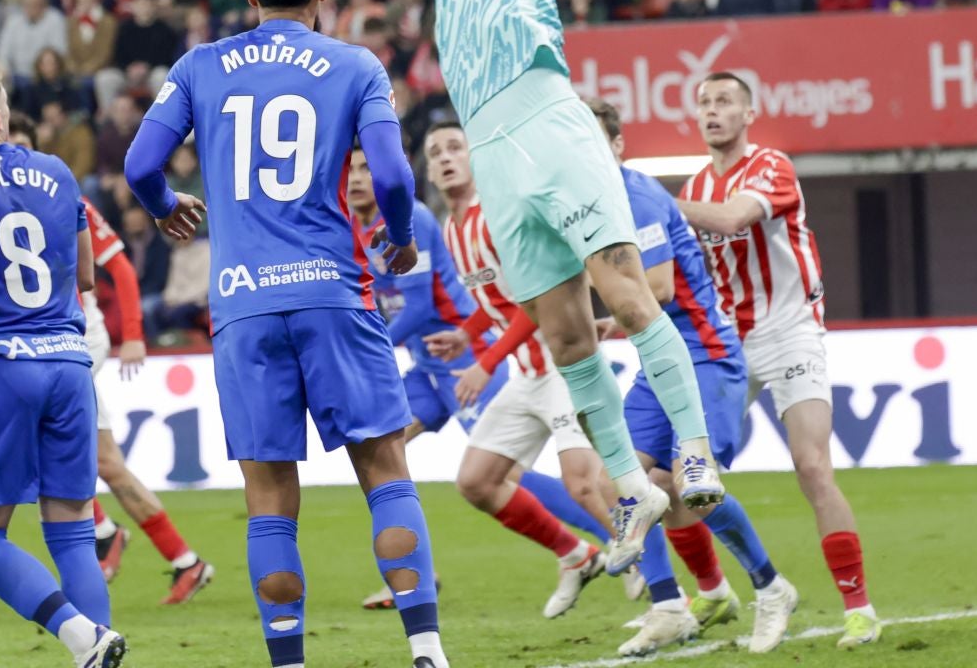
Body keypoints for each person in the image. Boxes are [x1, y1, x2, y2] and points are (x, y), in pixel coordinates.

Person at [370, 0, 719, 571]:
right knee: (566, 339)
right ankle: (633, 485)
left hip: (548, 122)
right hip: (493, 151)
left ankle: (697, 453)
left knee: (628, 298)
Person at [123, 0, 450, 668]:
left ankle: (289, 662)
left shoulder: (202, 65)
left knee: (270, 497)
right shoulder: (355, 64)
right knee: (384, 470)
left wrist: (164, 203)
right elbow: (395, 179)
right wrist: (399, 237)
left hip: (241, 304)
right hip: (334, 291)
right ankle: (427, 650)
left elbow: (140, 162)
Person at [352, 141, 612, 615]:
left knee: (505, 473)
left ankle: (612, 543)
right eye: (347, 170)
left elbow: (421, 305)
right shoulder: (352, 226)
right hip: (425, 364)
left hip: (461, 358)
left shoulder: (411, 218)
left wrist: (370, 347)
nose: (355, 179)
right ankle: (413, 573)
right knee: (378, 454)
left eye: (367, 168)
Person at [674, 71, 882, 648]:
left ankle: (859, 607)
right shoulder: (695, 182)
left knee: (812, 466)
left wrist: (657, 202)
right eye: (705, 103)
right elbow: (690, 276)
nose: (713, 111)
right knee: (677, 474)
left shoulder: (771, 166)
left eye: (724, 102)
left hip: (789, 330)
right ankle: (714, 590)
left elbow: (734, 218)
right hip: (726, 342)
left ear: (748, 115)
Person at [587, 98, 794, 655]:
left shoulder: (637, 195)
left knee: (691, 487)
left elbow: (657, 290)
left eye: (597, 139)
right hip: (658, 361)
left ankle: (772, 587)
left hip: (703, 352)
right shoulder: (585, 202)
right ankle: (669, 606)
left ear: (618, 146)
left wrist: (594, 311)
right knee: (623, 479)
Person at [0, 63, 126, 666]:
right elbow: (84, 276)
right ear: (0, 118)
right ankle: (98, 646)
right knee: (75, 529)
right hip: (70, 363)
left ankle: (78, 634)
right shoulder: (56, 172)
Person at [76, 197, 215, 602]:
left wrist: (134, 334)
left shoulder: (64, 193)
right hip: (43, 347)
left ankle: (103, 531)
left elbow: (118, 264)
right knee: (107, 465)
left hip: (76, 340)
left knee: (33, 440)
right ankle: (186, 561)